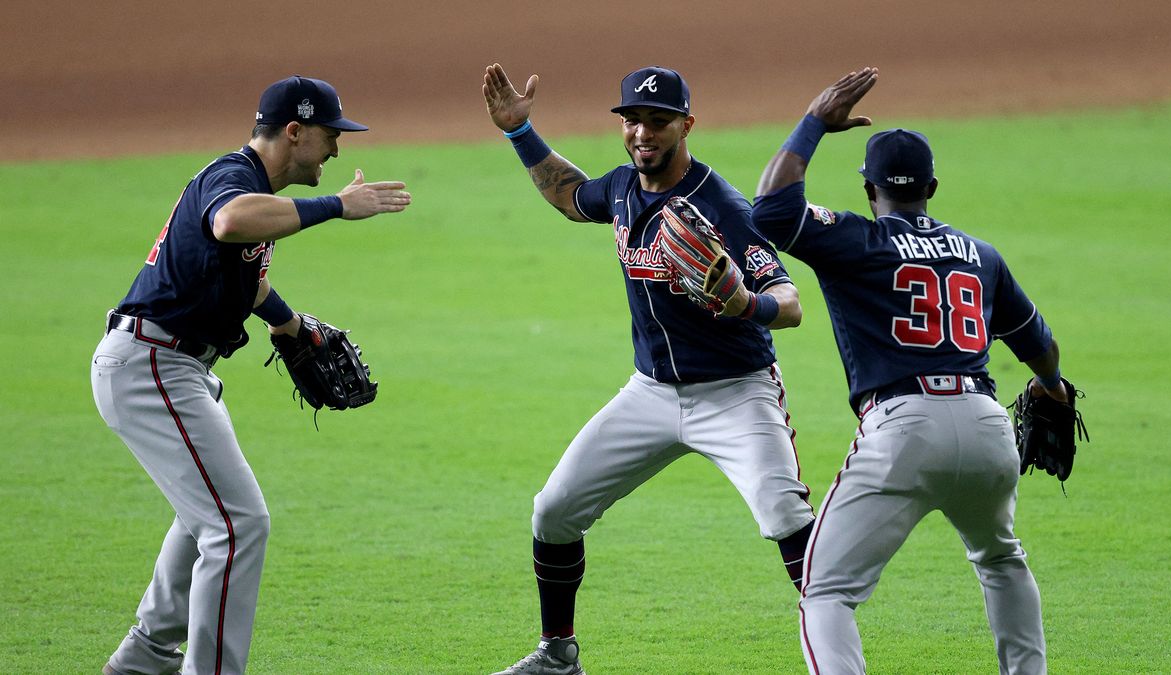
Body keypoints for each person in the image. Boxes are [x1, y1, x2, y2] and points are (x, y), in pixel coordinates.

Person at [482, 63, 817, 675]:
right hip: (650, 394)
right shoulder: (619, 189)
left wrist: (748, 303)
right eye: (632, 119)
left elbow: (790, 305)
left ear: (686, 125)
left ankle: (836, 648)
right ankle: (558, 656)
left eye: (658, 122)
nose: (643, 133)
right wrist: (519, 132)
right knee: (554, 510)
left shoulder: (724, 206)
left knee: (788, 519)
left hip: (736, 395)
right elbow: (567, 195)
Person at [91, 75, 410, 675]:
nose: (338, 148)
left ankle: (143, 657)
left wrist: (288, 324)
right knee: (237, 524)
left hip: (169, 365)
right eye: (330, 134)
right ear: (294, 131)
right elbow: (231, 223)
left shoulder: (251, 185)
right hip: (151, 364)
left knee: (206, 518)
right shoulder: (232, 179)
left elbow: (243, 275)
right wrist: (339, 206)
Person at [751, 67, 1065, 674]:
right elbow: (1039, 343)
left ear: (869, 189)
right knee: (1001, 557)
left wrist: (815, 119)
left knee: (826, 591)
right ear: (933, 187)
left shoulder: (857, 239)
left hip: (902, 429)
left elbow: (771, 208)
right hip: (986, 423)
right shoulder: (982, 254)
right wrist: (1050, 387)